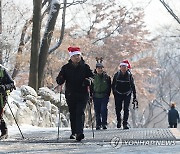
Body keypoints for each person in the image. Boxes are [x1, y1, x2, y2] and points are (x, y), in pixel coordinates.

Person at [56, 47, 93, 141]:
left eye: (78, 55)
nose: (77, 57)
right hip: (70, 94)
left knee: (80, 112)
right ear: (71, 57)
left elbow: (92, 77)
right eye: (75, 56)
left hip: (82, 93)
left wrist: (88, 80)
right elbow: (60, 78)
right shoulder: (66, 68)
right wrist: (60, 80)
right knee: (73, 113)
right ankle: (74, 132)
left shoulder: (85, 67)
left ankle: (80, 133)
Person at [112, 60, 137, 129]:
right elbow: (113, 85)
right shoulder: (116, 75)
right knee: (118, 109)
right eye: (122, 66)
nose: (123, 68)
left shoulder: (129, 76)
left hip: (127, 94)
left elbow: (133, 86)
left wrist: (134, 96)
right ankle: (119, 121)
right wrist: (114, 93)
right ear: (120, 67)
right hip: (118, 94)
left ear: (127, 68)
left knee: (126, 109)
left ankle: (125, 123)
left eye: (125, 67)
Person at [92, 61, 111, 130]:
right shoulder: (93, 77)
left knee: (103, 110)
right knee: (97, 111)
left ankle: (104, 123)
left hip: (104, 96)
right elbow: (91, 86)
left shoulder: (107, 77)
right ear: (96, 69)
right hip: (95, 96)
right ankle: (98, 124)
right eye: (98, 68)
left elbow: (109, 86)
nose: (100, 69)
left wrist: (107, 94)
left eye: (101, 68)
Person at [0, 65, 15, 140]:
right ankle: (4, 131)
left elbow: (12, 84)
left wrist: (4, 87)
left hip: (1, 97)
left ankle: (4, 132)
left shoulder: (3, 71)